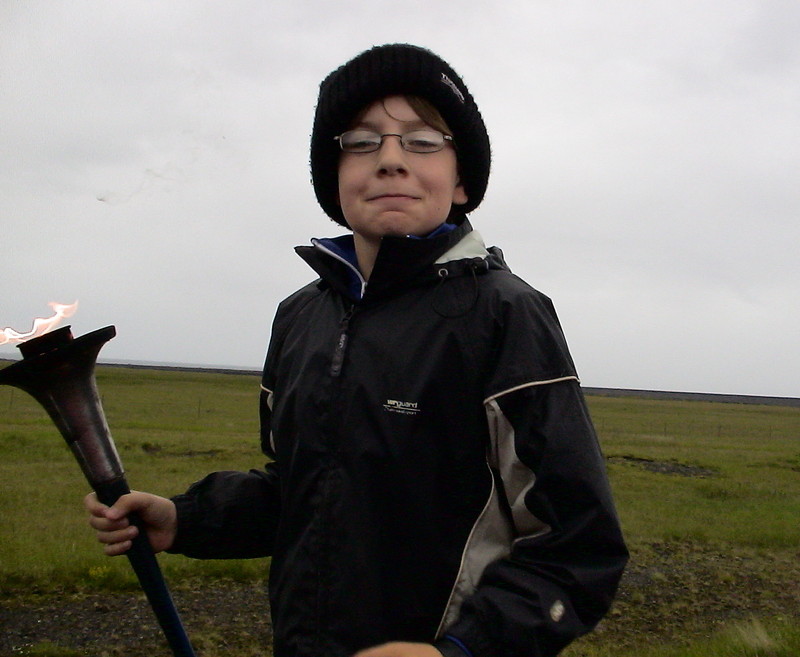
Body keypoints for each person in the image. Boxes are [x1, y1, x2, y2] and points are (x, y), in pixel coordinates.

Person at [85, 44, 628, 657]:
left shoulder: (506, 315)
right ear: (333, 176)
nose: (390, 160)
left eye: (422, 140)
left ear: (463, 181)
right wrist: (186, 518)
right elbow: (304, 490)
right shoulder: (300, 317)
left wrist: (461, 650)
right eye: (362, 142)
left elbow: (579, 546)